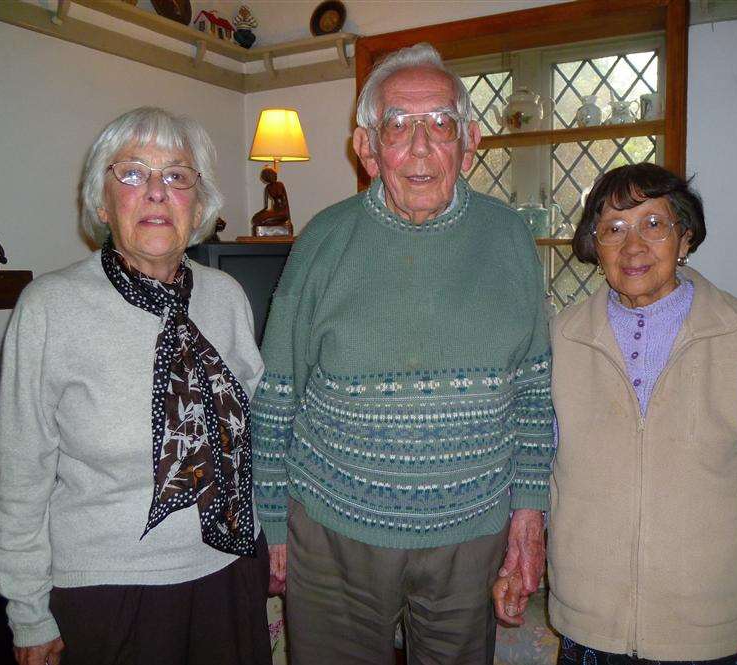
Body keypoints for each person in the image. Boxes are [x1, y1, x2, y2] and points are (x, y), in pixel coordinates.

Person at [251, 43, 555, 665]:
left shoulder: (509, 240)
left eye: (440, 124)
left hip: (470, 532)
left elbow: (533, 393)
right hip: (334, 530)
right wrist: (274, 521)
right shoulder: (322, 242)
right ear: (366, 148)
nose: (420, 147)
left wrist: (529, 515)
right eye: (397, 126)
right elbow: (277, 394)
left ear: (469, 143)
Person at [0, 107, 271, 665]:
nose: (157, 193)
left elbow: (252, 441)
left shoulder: (225, 297)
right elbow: (21, 475)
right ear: (101, 201)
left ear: (200, 205)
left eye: (176, 175)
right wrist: (28, 613)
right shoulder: (49, 309)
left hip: (228, 571)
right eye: (133, 174)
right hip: (108, 592)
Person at [506, 163, 737, 665]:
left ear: (684, 237)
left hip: (705, 623)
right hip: (589, 618)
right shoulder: (562, 337)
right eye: (613, 229)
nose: (633, 245)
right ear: (594, 248)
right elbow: (537, 461)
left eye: (653, 224)